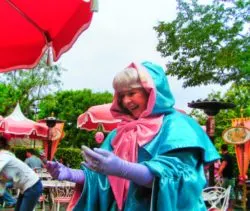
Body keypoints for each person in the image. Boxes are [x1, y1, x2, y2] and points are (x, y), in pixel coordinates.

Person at [46, 61, 220, 211]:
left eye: (132, 93)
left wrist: (123, 168)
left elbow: (176, 179)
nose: (126, 101)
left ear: (151, 92)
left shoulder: (178, 126)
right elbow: (102, 179)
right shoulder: (120, 133)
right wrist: (70, 174)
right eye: (121, 96)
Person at [0, 135, 43, 211]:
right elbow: (2, 181)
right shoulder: (5, 157)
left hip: (33, 186)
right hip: (27, 187)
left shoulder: (3, 156)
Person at [217, 144, 235, 211]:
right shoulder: (229, 156)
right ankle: (227, 208)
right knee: (227, 192)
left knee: (226, 192)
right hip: (229, 177)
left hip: (228, 178)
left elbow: (223, 165)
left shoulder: (226, 156)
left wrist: (218, 173)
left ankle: (228, 208)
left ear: (222, 149)